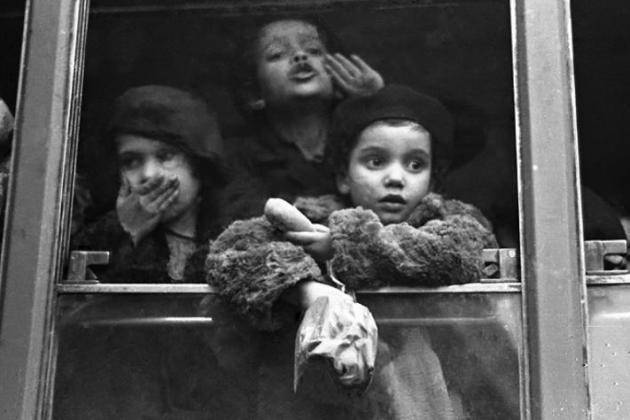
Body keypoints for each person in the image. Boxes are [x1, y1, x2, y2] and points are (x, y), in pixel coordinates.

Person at [206, 84, 498, 419]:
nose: (395, 178)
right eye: (376, 161)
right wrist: (309, 293)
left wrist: (342, 245)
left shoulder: (457, 222)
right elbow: (232, 252)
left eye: (415, 165)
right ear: (344, 176)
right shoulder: (314, 218)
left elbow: (455, 251)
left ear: (433, 181)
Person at [223, 17, 384, 219]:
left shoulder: (360, 135)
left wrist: (375, 102)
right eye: (277, 55)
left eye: (314, 50)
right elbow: (236, 211)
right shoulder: (238, 154)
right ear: (254, 92)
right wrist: (293, 209)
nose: (300, 56)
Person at [72, 84, 226, 283]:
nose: (148, 174)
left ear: (198, 163)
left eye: (166, 156)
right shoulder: (92, 241)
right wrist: (125, 231)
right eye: (131, 161)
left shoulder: (232, 234)